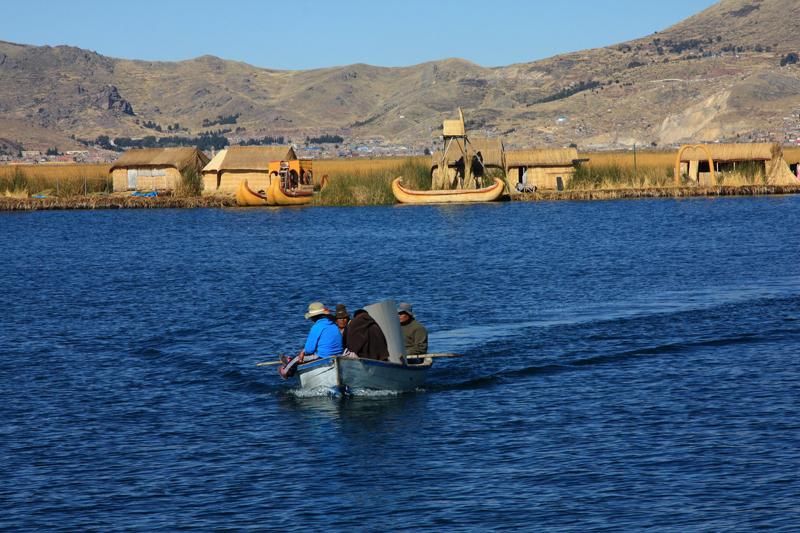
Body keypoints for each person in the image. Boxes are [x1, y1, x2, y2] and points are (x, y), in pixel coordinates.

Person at [279, 302, 343, 379]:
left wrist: (303, 351)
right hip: (338, 355)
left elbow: (309, 349)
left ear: (313, 317)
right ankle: (290, 360)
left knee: (297, 358)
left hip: (323, 357)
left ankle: (285, 371)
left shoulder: (317, 327)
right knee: (304, 356)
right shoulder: (333, 325)